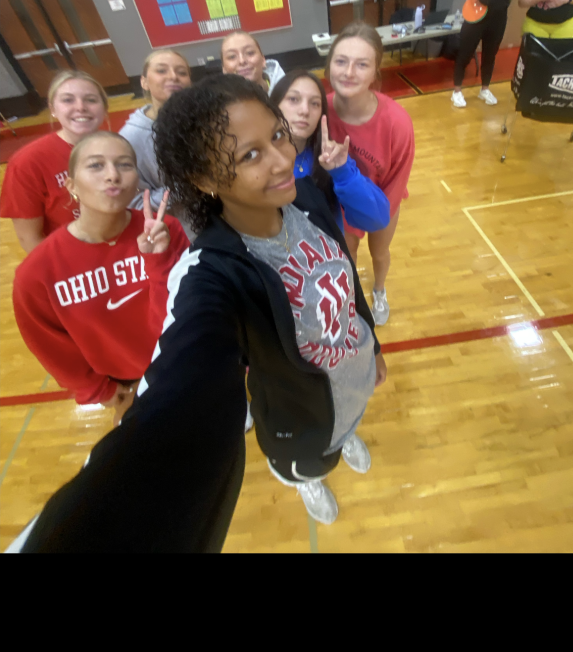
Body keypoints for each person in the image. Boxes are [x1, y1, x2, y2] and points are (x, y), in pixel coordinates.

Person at [9, 75, 386, 551]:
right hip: (301, 420)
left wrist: (372, 343)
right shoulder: (210, 271)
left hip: (355, 374)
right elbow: (179, 397)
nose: (281, 159)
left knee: (348, 419)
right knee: (311, 461)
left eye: (277, 135)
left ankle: (345, 434)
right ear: (205, 180)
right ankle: (305, 476)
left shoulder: (303, 194)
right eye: (250, 155)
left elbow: (345, 275)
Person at [12, 131, 188, 426]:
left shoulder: (167, 230)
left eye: (124, 164)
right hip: (126, 384)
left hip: (182, 358)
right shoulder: (37, 272)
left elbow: (182, 311)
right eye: (96, 165)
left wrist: (158, 261)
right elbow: (50, 346)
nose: (112, 175)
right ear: (71, 185)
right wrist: (97, 390)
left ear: (136, 180)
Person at [324, 22, 415, 327]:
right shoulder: (318, 110)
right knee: (346, 253)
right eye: (341, 61)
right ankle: (350, 296)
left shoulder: (396, 122)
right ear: (329, 65)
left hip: (381, 201)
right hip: (339, 201)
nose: (349, 72)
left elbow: (398, 179)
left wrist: (376, 216)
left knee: (379, 252)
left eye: (361, 64)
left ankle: (379, 290)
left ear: (376, 71)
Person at [270, 69, 391, 235]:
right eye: (293, 99)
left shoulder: (331, 159)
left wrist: (343, 173)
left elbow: (377, 219)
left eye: (314, 103)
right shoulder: (257, 162)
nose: (304, 110)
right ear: (274, 106)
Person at [0, 70, 109, 254]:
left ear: (104, 107)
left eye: (91, 100)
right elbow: (29, 238)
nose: (81, 107)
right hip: (73, 259)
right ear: (53, 109)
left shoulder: (119, 148)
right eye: (68, 100)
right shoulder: (27, 162)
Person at [119, 48, 194, 239]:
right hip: (182, 236)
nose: (173, 76)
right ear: (144, 82)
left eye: (182, 72)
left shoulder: (202, 119)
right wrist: (188, 186)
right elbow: (135, 203)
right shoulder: (130, 139)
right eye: (161, 70)